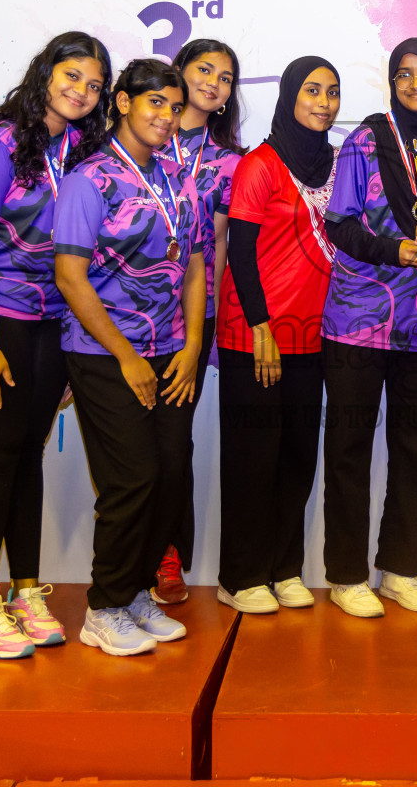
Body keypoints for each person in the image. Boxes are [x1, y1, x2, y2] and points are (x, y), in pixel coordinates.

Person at [0, 33, 112, 659]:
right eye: (72, 76)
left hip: (46, 319)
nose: (81, 91)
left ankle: (21, 592)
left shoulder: (81, 149)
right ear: (45, 72)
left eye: (94, 85)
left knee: (26, 455)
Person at [319, 38, 417, 618]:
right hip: (357, 320)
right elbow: (341, 224)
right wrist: (400, 250)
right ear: (391, 81)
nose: (416, 84)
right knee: (349, 449)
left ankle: (402, 569)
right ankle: (346, 574)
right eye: (404, 74)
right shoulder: (364, 140)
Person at [53, 58, 206, 657]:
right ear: (121, 103)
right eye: (154, 104)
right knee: (132, 479)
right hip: (102, 353)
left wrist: (192, 345)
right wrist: (125, 356)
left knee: (168, 478)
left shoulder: (179, 179)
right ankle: (105, 607)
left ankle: (136, 591)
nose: (166, 117)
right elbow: (70, 277)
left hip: (171, 350)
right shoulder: (87, 181)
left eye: (173, 106)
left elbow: (195, 266)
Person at [215, 56, 341, 613]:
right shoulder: (259, 164)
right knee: (252, 460)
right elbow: (239, 250)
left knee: (296, 459)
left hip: (312, 336)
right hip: (255, 334)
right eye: (312, 90)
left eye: (332, 92)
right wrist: (260, 325)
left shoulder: (337, 165)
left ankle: (284, 568)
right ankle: (239, 577)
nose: (323, 101)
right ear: (290, 94)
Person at [148, 39, 245, 605]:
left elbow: (224, 243)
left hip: (192, 314)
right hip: (125, 310)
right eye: (204, 69)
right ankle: (125, 554)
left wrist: (215, 316)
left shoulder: (230, 161)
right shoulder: (144, 139)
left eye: (226, 77)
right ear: (178, 73)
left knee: (173, 443)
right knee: (130, 448)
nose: (213, 82)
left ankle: (168, 556)